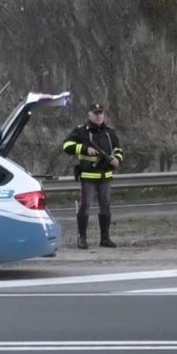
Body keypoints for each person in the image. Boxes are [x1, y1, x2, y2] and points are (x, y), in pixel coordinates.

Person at [62, 102, 124, 249]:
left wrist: (117, 159)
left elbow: (118, 149)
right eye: (95, 113)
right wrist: (84, 149)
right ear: (89, 115)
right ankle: (82, 238)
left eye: (100, 113)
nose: (98, 116)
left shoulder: (110, 132)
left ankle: (105, 239)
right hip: (88, 176)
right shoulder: (81, 131)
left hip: (106, 175)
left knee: (105, 207)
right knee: (85, 207)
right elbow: (66, 146)